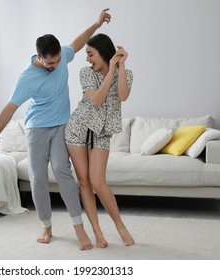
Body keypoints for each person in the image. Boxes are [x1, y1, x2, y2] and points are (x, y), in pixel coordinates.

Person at [0, 9, 112, 250]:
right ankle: (46, 224)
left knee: (63, 172)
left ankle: (79, 228)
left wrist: (96, 24)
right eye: (50, 62)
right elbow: (9, 108)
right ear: (39, 57)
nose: (55, 65)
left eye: (57, 61)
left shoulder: (62, 55)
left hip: (61, 124)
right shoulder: (26, 78)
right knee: (38, 177)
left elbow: (78, 41)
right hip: (37, 128)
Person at [65, 33, 135, 248]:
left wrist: (119, 67)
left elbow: (122, 96)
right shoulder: (85, 73)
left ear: (103, 53)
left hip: (102, 134)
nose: (87, 58)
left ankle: (120, 225)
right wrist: (110, 70)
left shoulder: (126, 73)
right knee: (84, 182)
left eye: (90, 54)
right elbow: (96, 100)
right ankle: (97, 231)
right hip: (78, 129)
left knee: (98, 182)